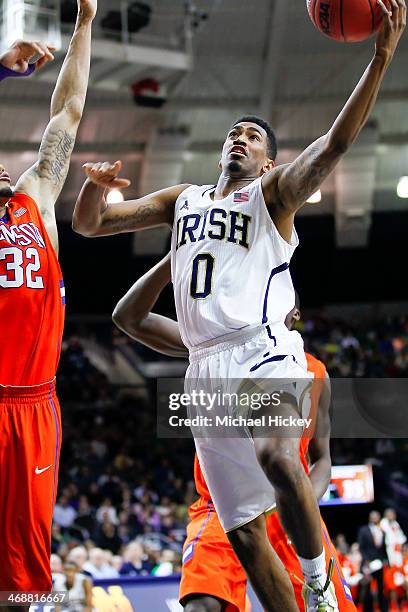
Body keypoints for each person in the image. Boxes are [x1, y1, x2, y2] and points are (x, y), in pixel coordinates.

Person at [73, 5, 405, 610]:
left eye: (253, 135)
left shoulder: (272, 195)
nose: (239, 136)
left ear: (268, 161)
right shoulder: (184, 200)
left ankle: (320, 586)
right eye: (235, 130)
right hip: (204, 368)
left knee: (280, 455)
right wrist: (95, 185)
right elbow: (91, 225)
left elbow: (334, 145)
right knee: (247, 537)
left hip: (264, 346)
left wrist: (379, 57)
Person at [112, 254, 357, 612]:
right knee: (201, 607)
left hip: (288, 511)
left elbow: (322, 460)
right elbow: (127, 317)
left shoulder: (314, 372)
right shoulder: (217, 345)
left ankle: (316, 578)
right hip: (223, 507)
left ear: (293, 313)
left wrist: (302, 502)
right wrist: (177, 255)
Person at [0, 0, 96, 604]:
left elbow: (67, 111)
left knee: (23, 581)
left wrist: (85, 23)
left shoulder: (33, 199)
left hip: (33, 407)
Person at [358, 511, 389, 612]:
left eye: (377, 516)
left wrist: (385, 560)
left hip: (379, 563)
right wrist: (366, 560)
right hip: (368, 563)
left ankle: (382, 608)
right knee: (367, 588)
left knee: (381, 588)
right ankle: (368, 609)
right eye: (373, 516)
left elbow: (384, 548)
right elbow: (361, 547)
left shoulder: (382, 530)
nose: (375, 518)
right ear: (370, 518)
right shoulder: (364, 530)